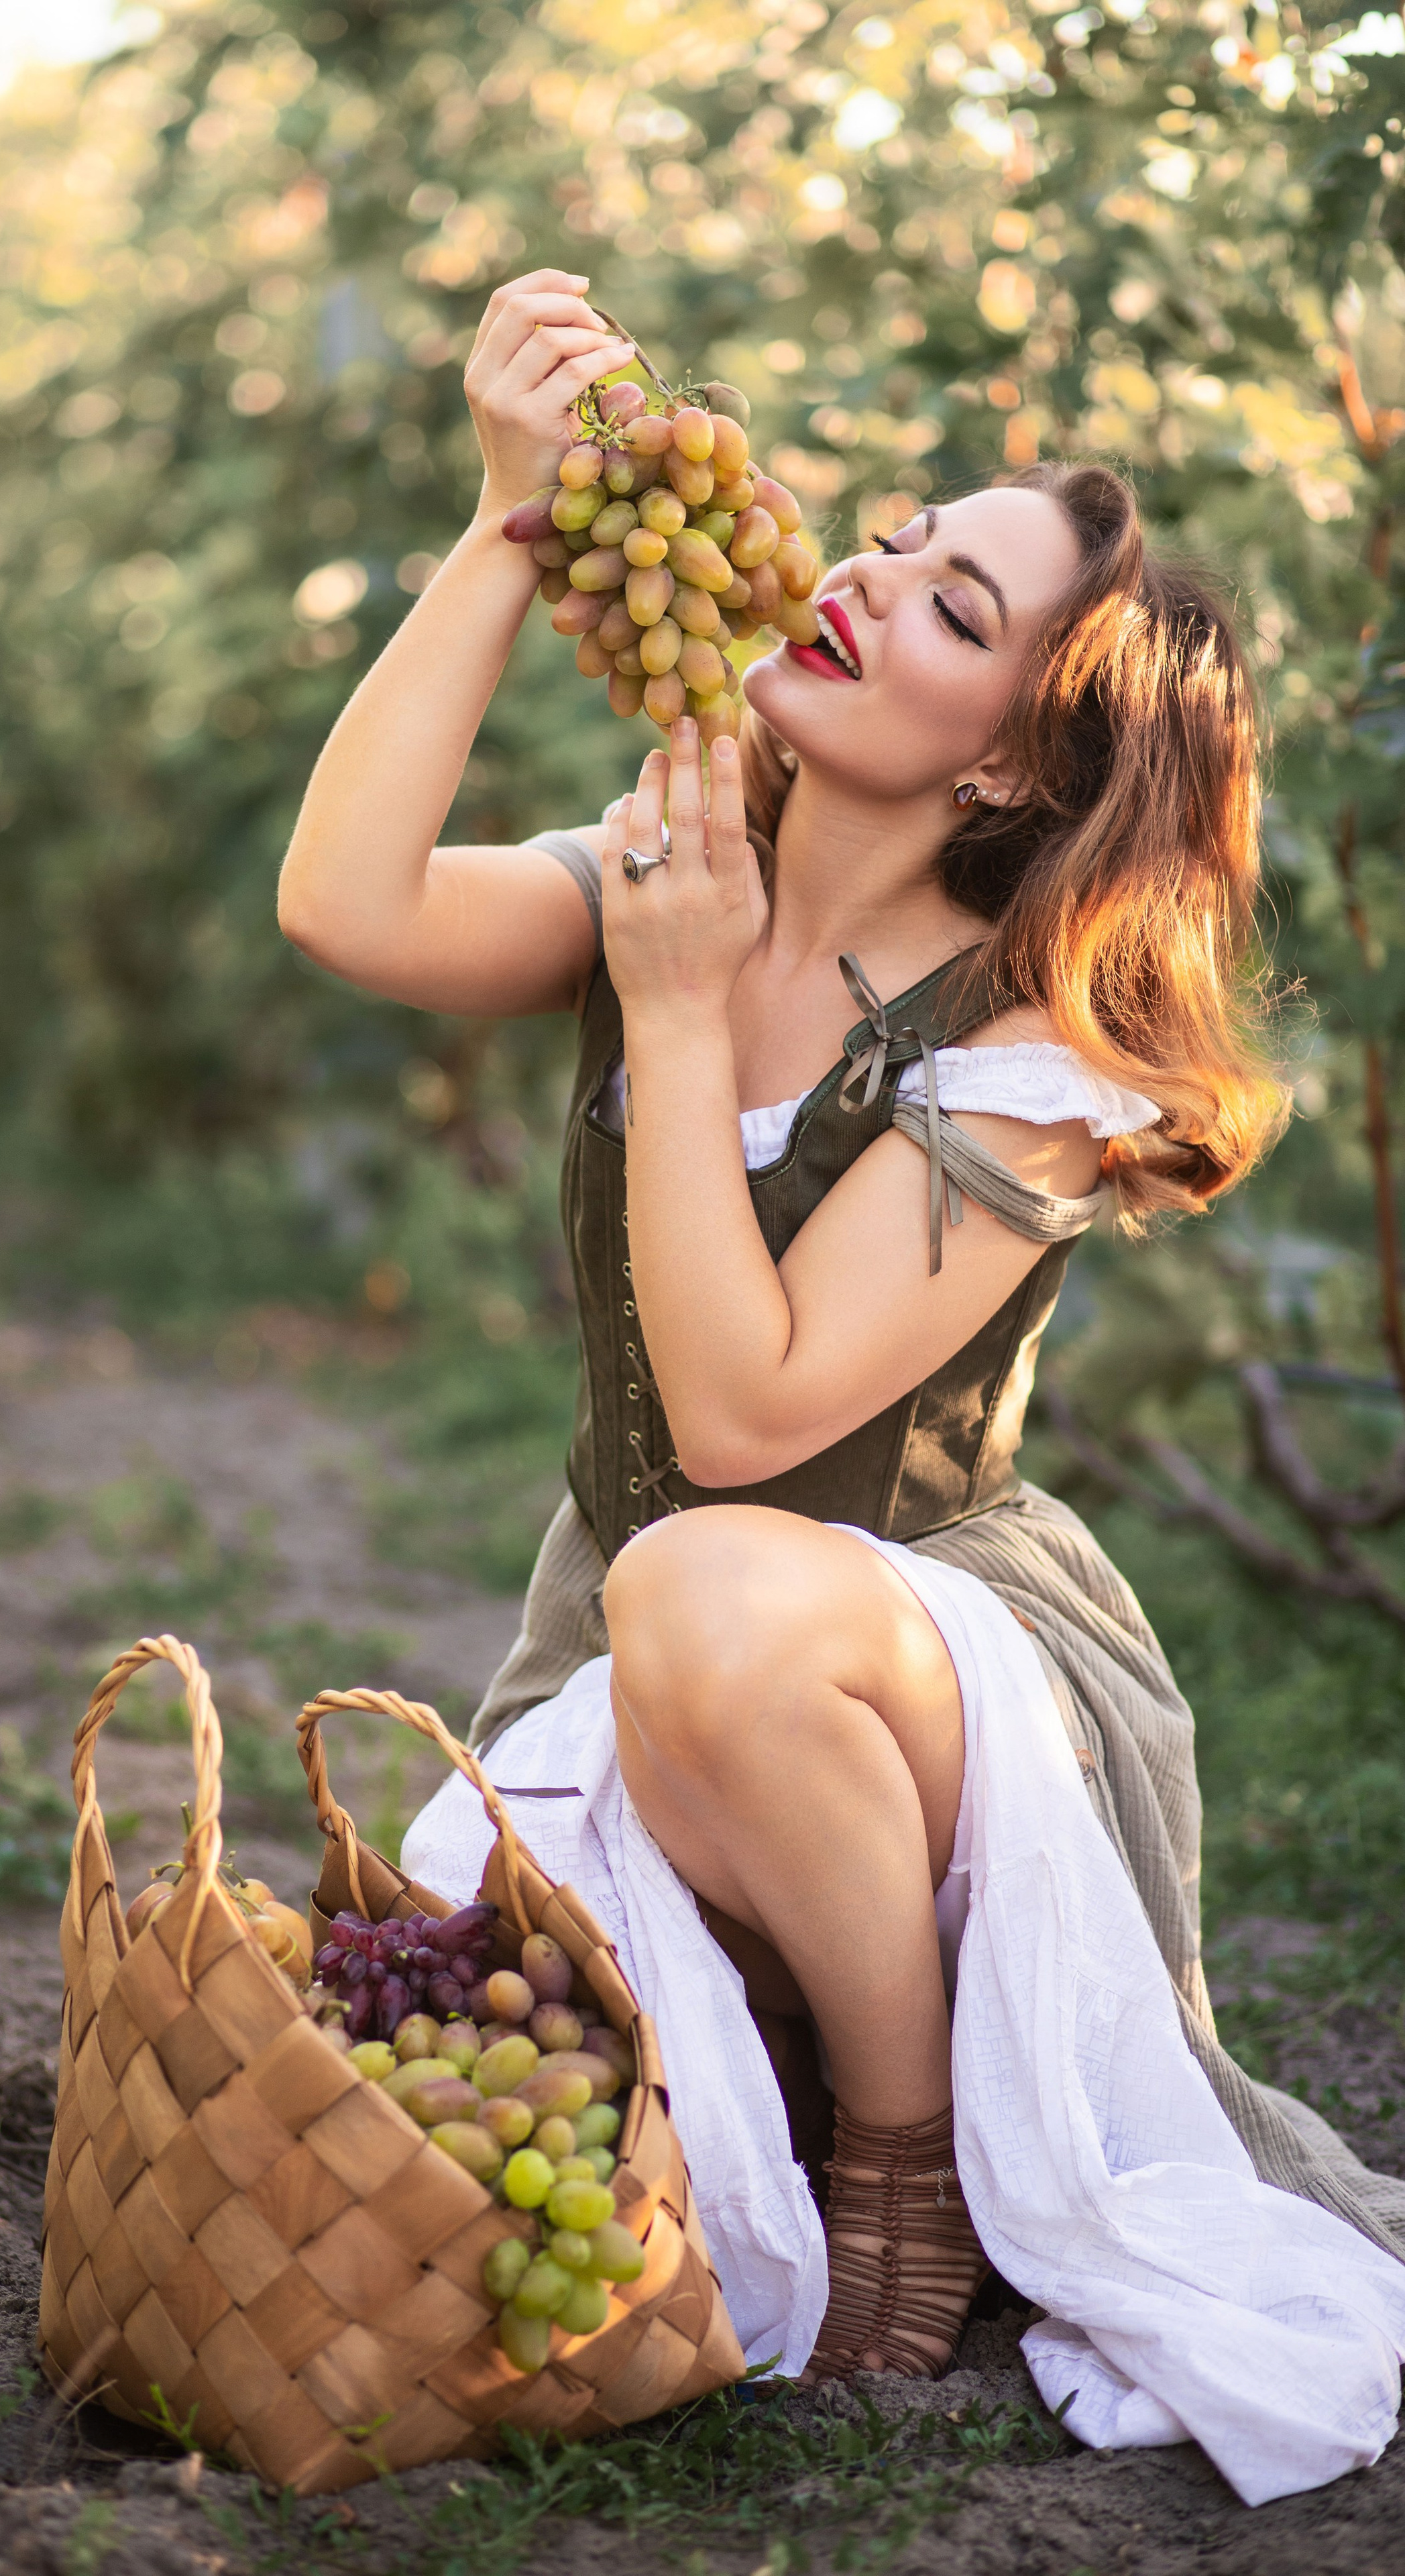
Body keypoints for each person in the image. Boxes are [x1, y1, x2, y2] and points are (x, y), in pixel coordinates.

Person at [278, 271, 1405, 2499]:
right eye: (887, 541)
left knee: (697, 1576)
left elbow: (741, 1429)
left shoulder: (1035, 1058)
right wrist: (505, 530)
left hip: (913, 1654)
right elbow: (348, 903)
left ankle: (903, 2149)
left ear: (1008, 750)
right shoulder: (673, 869)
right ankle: (814, 2087)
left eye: (948, 599)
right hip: (638, 1646)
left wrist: (685, 1021)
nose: (862, 578)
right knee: (467, 2046)